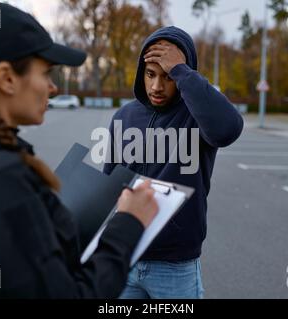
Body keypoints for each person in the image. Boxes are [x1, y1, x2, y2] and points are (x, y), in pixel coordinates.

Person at [0, 1, 158, 299]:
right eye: (45, 73)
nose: (53, 87)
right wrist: (128, 223)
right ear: (7, 78)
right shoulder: (0, 179)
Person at [103, 26, 244, 299]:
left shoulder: (198, 116)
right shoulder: (124, 116)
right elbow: (109, 185)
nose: (156, 86)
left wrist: (182, 71)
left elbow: (228, 129)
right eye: (150, 74)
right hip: (125, 258)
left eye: (168, 77)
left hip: (174, 266)